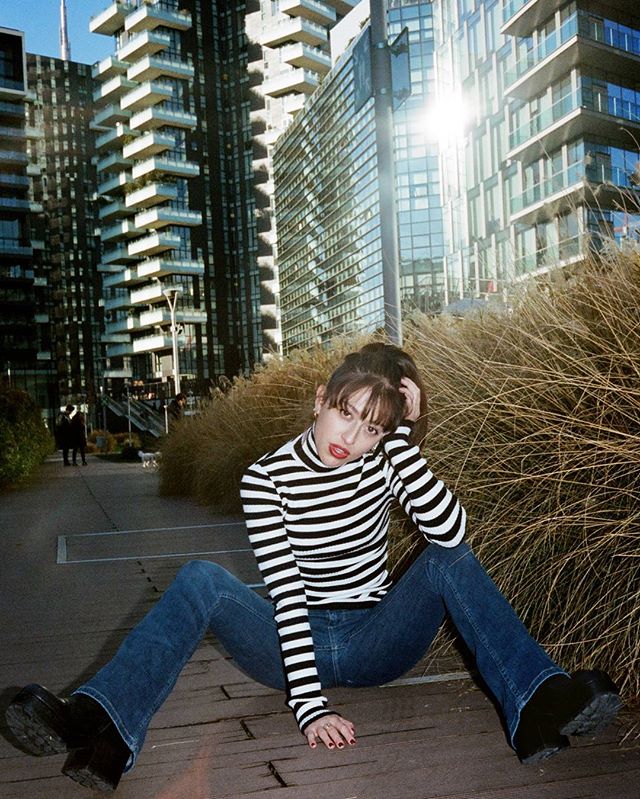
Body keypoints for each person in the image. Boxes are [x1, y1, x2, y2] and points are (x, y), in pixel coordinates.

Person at [4, 344, 621, 793]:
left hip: (375, 639)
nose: (351, 438)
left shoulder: (385, 458)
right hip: (285, 642)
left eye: (372, 428)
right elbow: (288, 593)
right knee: (199, 577)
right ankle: (102, 725)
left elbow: (452, 535)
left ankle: (537, 703)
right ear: (321, 399)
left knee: (444, 558)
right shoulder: (264, 478)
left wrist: (401, 441)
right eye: (346, 414)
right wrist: (311, 706)